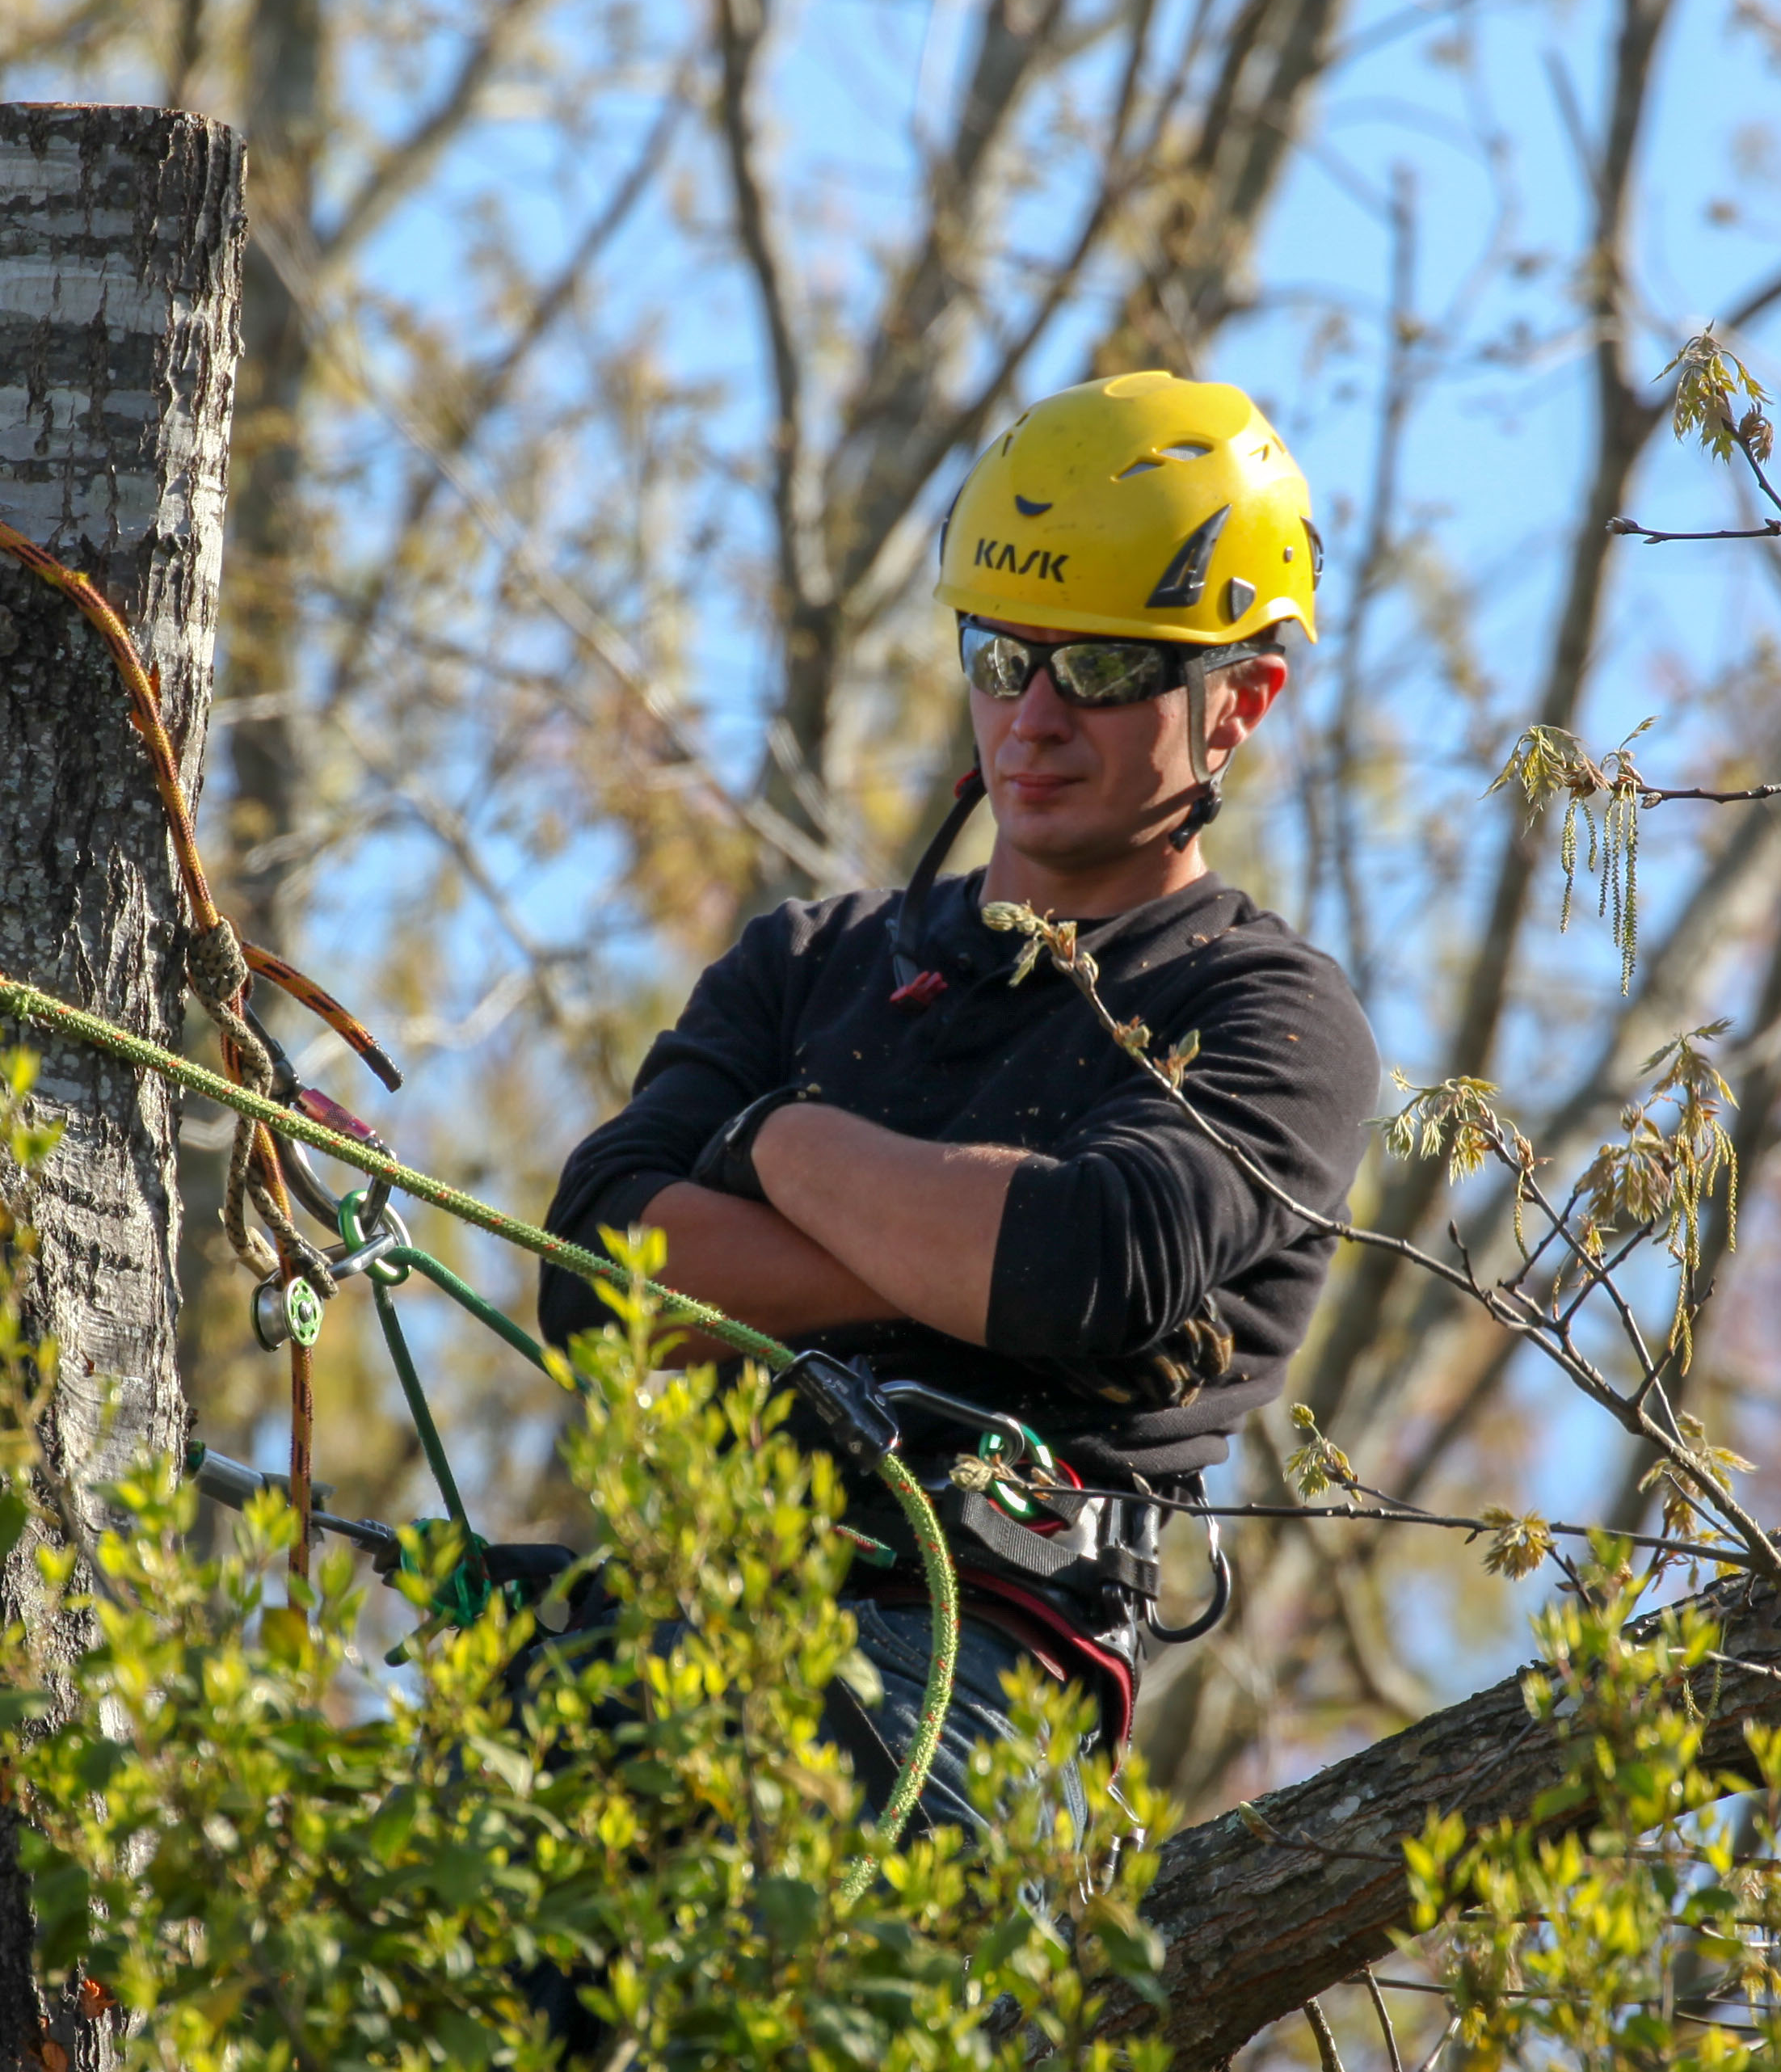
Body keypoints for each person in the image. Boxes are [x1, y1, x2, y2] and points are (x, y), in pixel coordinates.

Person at [537, 371, 1382, 1833]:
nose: (1036, 721)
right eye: (1005, 659)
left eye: (1109, 673)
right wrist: (948, 1257)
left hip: (977, 1678)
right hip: (685, 1618)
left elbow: (1074, 1266)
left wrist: (767, 1143)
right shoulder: (809, 964)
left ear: (1241, 700)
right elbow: (600, 1267)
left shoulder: (1267, 1019)